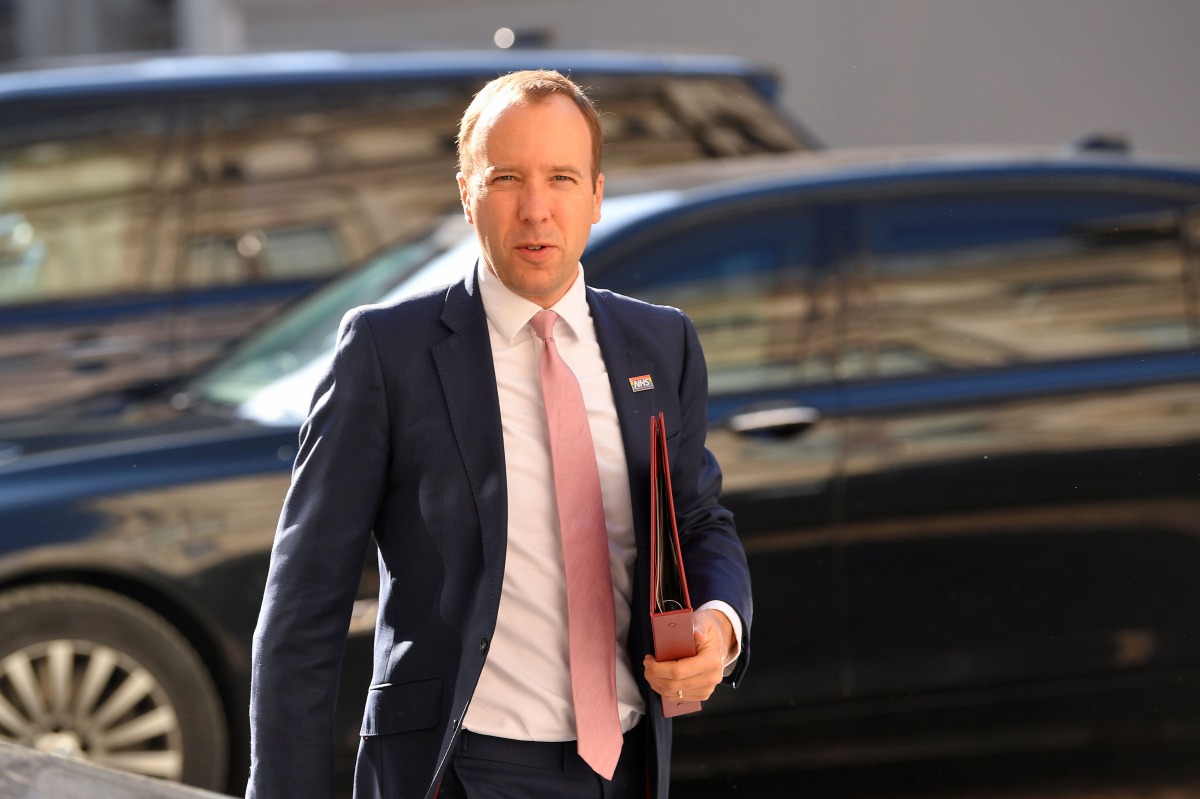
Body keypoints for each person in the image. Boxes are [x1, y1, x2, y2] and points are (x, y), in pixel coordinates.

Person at [247, 69, 752, 799]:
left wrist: (720, 621)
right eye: (507, 177)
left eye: (562, 178)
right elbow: (303, 608)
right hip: (459, 768)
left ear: (597, 195)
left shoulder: (660, 342)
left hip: (630, 765)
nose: (536, 209)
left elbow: (700, 518)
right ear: (466, 192)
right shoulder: (389, 354)